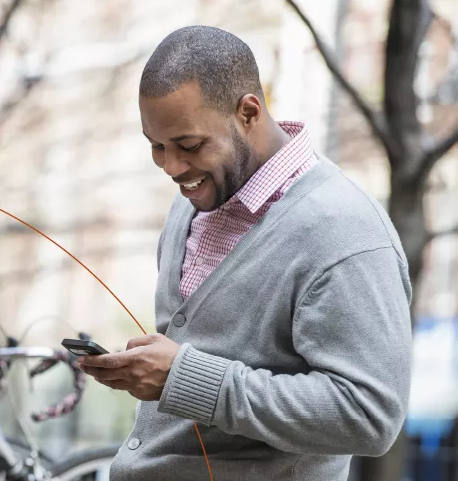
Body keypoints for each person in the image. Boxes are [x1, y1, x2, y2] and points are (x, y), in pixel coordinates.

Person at [78, 26, 412, 481]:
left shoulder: (345, 233)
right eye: (157, 146)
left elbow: (368, 417)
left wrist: (186, 378)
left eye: (189, 145)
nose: (172, 167)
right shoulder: (193, 200)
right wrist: (149, 372)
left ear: (248, 112)